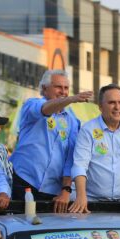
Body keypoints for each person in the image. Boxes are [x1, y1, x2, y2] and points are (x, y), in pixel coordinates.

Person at [9, 70, 92, 212]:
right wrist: (70, 99)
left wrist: (66, 190)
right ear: (44, 88)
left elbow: (70, 159)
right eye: (58, 87)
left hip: (52, 190)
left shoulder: (73, 121)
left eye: (66, 88)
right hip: (23, 181)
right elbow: (45, 109)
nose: (63, 91)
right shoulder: (32, 104)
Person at [69, 84, 120, 214]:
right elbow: (80, 165)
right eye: (112, 102)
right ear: (100, 107)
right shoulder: (88, 130)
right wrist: (81, 196)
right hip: (91, 204)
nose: (117, 107)